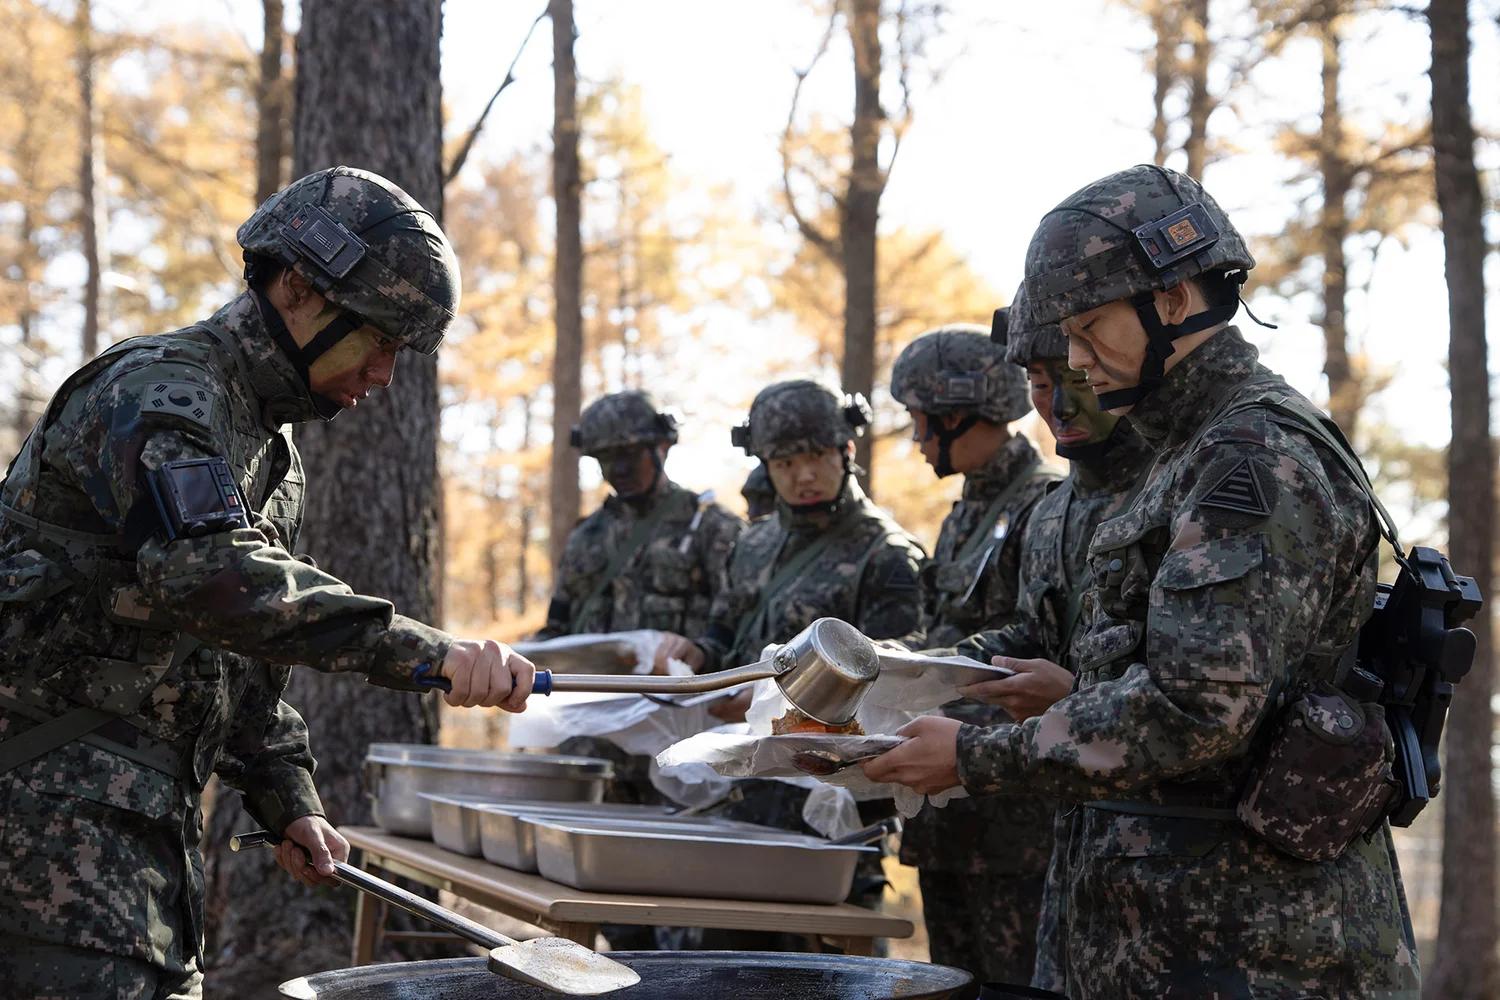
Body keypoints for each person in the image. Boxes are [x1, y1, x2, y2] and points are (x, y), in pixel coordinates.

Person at [864, 164, 1419, 998]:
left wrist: (977, 759)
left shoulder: (1250, 457)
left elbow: (1196, 708)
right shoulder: (1164, 456)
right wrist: (891, 675)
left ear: (1171, 302)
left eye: (1089, 329)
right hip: (1142, 933)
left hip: (1251, 947)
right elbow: (1080, 648)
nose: (1074, 363)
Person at [0, 166, 536, 999]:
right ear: (296, 287)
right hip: (40, 830)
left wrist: (287, 797)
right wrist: (428, 655)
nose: (386, 374)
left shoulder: (267, 454)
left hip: (137, 842)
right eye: (379, 337)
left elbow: (238, 661)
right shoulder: (160, 393)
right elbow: (214, 580)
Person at [655, 378, 926, 950]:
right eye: (784, 462)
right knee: (729, 972)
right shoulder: (754, 545)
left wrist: (768, 703)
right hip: (741, 803)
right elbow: (725, 630)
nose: (803, 475)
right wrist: (697, 653)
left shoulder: (887, 556)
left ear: (845, 452)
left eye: (816, 457)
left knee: (827, 978)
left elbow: (893, 692)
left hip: (829, 811)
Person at [951, 286, 1154, 990]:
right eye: (1040, 384)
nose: (1059, 406)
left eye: (1073, 381)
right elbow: (1036, 633)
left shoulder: (1179, 488)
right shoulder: (1052, 511)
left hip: (1163, 871)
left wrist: (1069, 698)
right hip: (1070, 854)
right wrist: (924, 670)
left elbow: (1197, 698)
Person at [885, 320, 1058, 984]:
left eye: (921, 419)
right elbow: (945, 640)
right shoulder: (966, 514)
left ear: (958, 414)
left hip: (1012, 826)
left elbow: (1034, 659)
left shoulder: (1044, 507)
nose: (916, 436)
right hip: (948, 816)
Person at [534, 391, 743, 643]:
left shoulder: (712, 526)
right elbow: (556, 628)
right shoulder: (584, 537)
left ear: (663, 447)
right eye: (607, 457)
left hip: (677, 680)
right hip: (590, 681)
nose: (620, 469)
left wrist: (701, 654)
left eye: (631, 454)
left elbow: (732, 630)